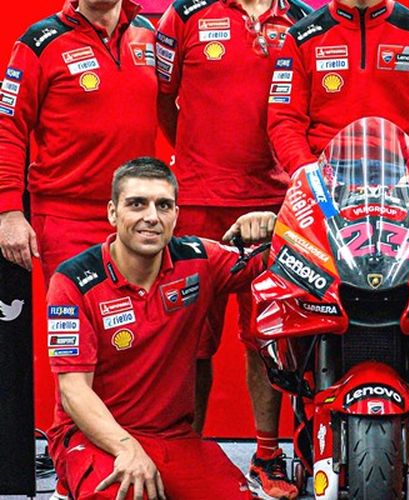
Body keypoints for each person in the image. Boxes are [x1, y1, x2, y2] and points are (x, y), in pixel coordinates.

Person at [45, 157, 275, 500]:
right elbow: (73, 392)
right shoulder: (72, 281)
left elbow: (274, 259)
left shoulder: (199, 259)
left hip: (172, 438)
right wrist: (127, 448)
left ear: (176, 215)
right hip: (93, 436)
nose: (151, 216)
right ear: (112, 213)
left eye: (163, 205)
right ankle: (69, 485)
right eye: (137, 204)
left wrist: (275, 226)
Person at [156, 0, 310, 496]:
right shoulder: (184, 16)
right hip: (198, 203)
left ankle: (267, 455)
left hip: (272, 203)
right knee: (190, 340)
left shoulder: (302, 20)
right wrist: (198, 162)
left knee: (266, 336)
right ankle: (187, 450)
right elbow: (162, 96)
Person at [0, 0, 157, 284]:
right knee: (74, 311)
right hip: (68, 219)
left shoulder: (147, 33)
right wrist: (8, 212)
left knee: (139, 312)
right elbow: (7, 128)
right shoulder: (38, 42)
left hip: (136, 214)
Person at [266, 0, 409, 173]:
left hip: (405, 179)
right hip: (324, 180)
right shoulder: (300, 37)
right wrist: (306, 171)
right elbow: (285, 119)